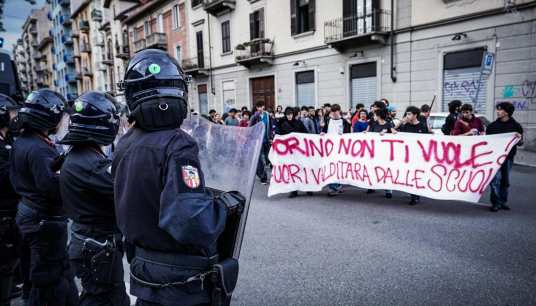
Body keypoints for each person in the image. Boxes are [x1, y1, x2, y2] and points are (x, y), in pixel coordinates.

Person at [113, 49, 244, 306]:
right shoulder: (178, 143)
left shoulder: (124, 144)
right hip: (181, 286)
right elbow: (191, 221)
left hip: (145, 277)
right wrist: (222, 207)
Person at [54, 92, 130, 306]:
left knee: (97, 297)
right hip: (97, 244)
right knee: (107, 300)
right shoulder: (93, 164)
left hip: (87, 241)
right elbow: (127, 193)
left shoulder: (77, 154)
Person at [9, 89, 79, 306]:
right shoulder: (40, 148)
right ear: (49, 116)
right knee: (49, 283)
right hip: (43, 223)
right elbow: (53, 188)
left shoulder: (25, 139)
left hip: (33, 217)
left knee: (59, 275)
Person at [0, 94, 24, 306]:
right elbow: (5, 177)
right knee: (4, 263)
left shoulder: (7, 139)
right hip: (3, 211)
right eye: (11, 111)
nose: (14, 116)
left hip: (11, 209)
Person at [486, 102, 524, 212]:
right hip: (494, 158)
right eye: (497, 109)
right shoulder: (492, 126)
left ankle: (503, 201)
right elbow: (487, 141)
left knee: (506, 181)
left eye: (500, 109)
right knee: (495, 181)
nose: (497, 111)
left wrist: (519, 138)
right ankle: (496, 202)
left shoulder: (516, 126)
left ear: (506, 112)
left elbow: (520, 143)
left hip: (508, 158)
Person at [399, 106, 431, 205]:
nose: (407, 116)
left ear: (415, 115)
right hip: (407, 156)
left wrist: (431, 133)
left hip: (419, 155)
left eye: (409, 114)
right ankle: (412, 192)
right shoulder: (405, 126)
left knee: (416, 175)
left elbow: (427, 141)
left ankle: (415, 196)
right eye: (407, 114)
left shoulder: (422, 126)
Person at [364, 108, 397, 198]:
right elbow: (370, 136)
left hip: (386, 152)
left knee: (386, 170)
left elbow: (394, 132)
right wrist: (365, 133)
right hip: (375, 152)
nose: (373, 117)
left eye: (374, 115)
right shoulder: (374, 125)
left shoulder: (388, 124)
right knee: (374, 169)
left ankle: (388, 190)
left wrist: (386, 134)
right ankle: (373, 186)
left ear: (378, 116)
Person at [279, 107, 311, 198]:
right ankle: (294, 190)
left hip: (300, 150)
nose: (290, 116)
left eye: (291, 114)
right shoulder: (284, 125)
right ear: (286, 115)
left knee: (303, 169)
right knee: (293, 170)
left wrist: (296, 134)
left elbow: (306, 134)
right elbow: (281, 138)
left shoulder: (299, 123)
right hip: (290, 152)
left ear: (293, 114)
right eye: (288, 114)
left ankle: (307, 188)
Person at [321, 104, 351, 196]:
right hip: (330, 148)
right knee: (331, 166)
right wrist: (323, 132)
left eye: (335, 112)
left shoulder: (344, 121)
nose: (333, 114)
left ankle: (337, 185)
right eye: (332, 112)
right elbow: (324, 130)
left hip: (340, 148)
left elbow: (348, 134)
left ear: (339, 111)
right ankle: (333, 187)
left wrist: (343, 135)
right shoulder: (328, 120)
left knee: (339, 166)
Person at [249, 100, 273, 185]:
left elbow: (270, 127)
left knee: (267, 159)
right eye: (258, 106)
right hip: (259, 141)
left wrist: (271, 137)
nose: (259, 108)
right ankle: (263, 178)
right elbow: (250, 128)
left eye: (261, 106)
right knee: (262, 160)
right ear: (256, 107)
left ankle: (259, 172)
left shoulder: (267, 115)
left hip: (267, 140)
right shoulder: (254, 116)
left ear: (263, 106)